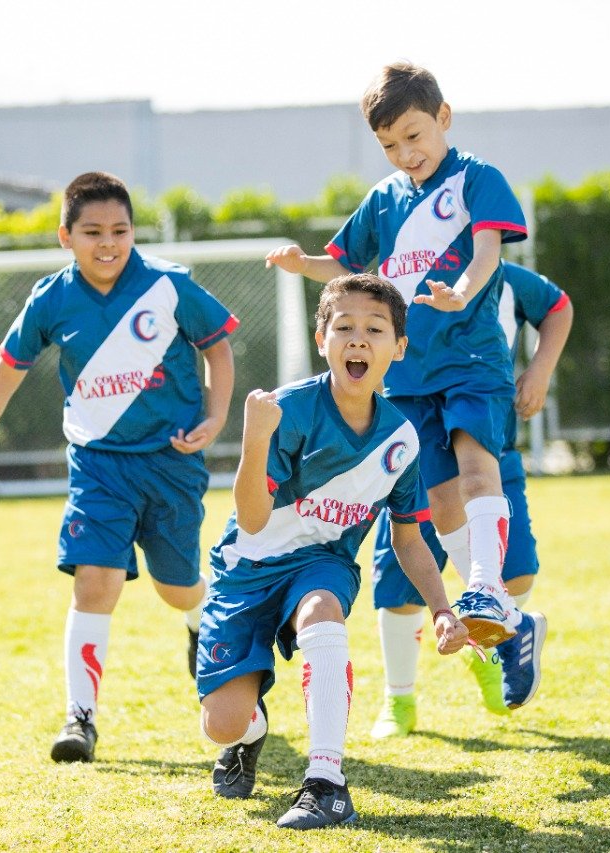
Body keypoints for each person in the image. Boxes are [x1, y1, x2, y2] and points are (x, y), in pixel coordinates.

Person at [265, 60, 546, 708]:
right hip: (409, 375)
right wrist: (297, 261)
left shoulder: (478, 178)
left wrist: (462, 293)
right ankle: (511, 623)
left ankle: (485, 586)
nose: (405, 153)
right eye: (390, 145)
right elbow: (341, 260)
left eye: (414, 136)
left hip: (472, 358)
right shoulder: (384, 200)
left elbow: (487, 252)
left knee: (480, 471)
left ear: (443, 119)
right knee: (440, 502)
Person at [0, 171, 237, 763]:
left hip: (171, 463)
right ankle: (80, 719)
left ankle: (199, 621)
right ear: (65, 236)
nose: (107, 243)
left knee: (177, 590)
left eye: (120, 230)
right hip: (98, 466)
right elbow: (8, 371)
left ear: (133, 232)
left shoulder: (169, 286)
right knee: (95, 583)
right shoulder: (51, 299)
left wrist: (216, 416)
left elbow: (218, 347)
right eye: (92, 232)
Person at [195, 273, 468, 830]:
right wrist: (254, 439)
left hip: (323, 565)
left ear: (400, 347)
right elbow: (250, 517)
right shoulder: (289, 411)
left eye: (375, 329)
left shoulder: (402, 440)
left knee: (323, 609)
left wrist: (443, 608)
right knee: (221, 723)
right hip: (247, 566)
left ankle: (325, 782)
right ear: (322, 339)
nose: (358, 340)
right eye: (343, 327)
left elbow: (409, 538)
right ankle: (250, 731)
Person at [370, 262, 573, 736]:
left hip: (488, 450)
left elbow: (558, 307)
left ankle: (496, 638)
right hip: (417, 451)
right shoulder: (398, 269)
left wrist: (540, 371)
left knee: (516, 568)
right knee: (402, 588)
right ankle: (398, 700)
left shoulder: (500, 273)